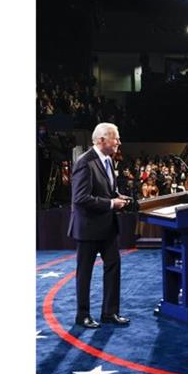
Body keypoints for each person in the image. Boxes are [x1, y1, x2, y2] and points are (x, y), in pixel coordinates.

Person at [67, 123, 131, 329]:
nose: (119, 142)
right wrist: (112, 203)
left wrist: (117, 196)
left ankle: (109, 313)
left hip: (107, 226)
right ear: (102, 140)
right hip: (87, 228)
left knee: (113, 267)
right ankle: (82, 315)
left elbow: (106, 191)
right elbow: (81, 198)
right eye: (116, 138)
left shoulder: (109, 161)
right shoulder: (84, 162)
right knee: (84, 272)